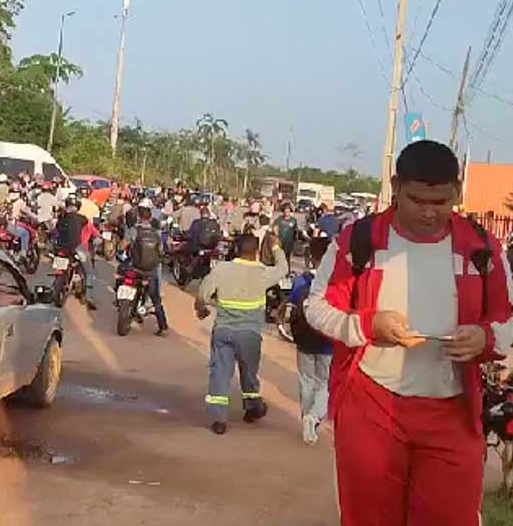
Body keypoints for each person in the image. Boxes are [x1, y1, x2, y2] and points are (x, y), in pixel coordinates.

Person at [304, 140, 513, 526]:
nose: (430, 213)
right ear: (395, 186)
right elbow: (317, 307)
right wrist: (367, 325)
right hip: (371, 403)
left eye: (442, 201)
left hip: (452, 411)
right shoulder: (359, 241)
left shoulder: (482, 248)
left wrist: (485, 338)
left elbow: (508, 321)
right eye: (417, 200)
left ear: (457, 191)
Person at [196, 233, 288, 434]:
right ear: (255, 252)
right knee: (249, 373)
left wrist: (200, 308)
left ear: (236, 250)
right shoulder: (263, 272)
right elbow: (283, 269)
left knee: (220, 372)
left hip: (223, 330)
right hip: (250, 334)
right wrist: (275, 247)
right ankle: (253, 407)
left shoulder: (221, 269)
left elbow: (203, 292)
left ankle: (219, 419)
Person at [288, 236, 334, 444]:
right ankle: (313, 417)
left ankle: (306, 416)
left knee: (306, 380)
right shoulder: (334, 282)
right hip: (328, 341)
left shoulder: (302, 280)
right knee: (325, 383)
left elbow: (292, 302)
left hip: (304, 340)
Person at [122, 198, 168, 334]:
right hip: (150, 270)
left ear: (139, 214)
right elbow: (161, 250)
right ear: (150, 214)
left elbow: (123, 245)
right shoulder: (157, 231)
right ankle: (162, 325)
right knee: (156, 299)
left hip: (135, 267)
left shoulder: (133, 230)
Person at [54, 195, 96, 310]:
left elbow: (56, 231)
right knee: (89, 271)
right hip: (77, 248)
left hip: (60, 248)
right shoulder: (83, 218)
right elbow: (91, 229)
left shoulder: (60, 218)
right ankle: (90, 297)